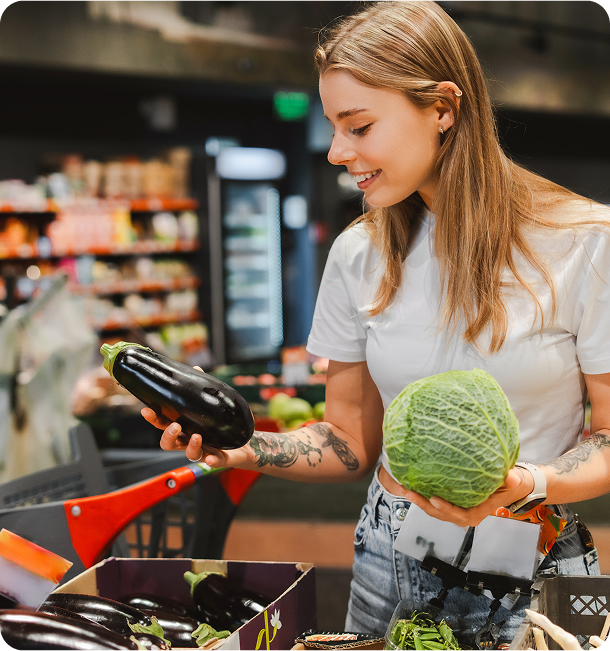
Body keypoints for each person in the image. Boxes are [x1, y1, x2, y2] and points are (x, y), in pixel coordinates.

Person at [143, 0, 610, 643]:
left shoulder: (585, 242)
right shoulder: (359, 253)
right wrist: (242, 451)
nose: (337, 151)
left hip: (531, 562)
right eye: (333, 126)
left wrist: (526, 483)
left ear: (443, 108)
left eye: (358, 126)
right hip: (392, 564)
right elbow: (348, 440)